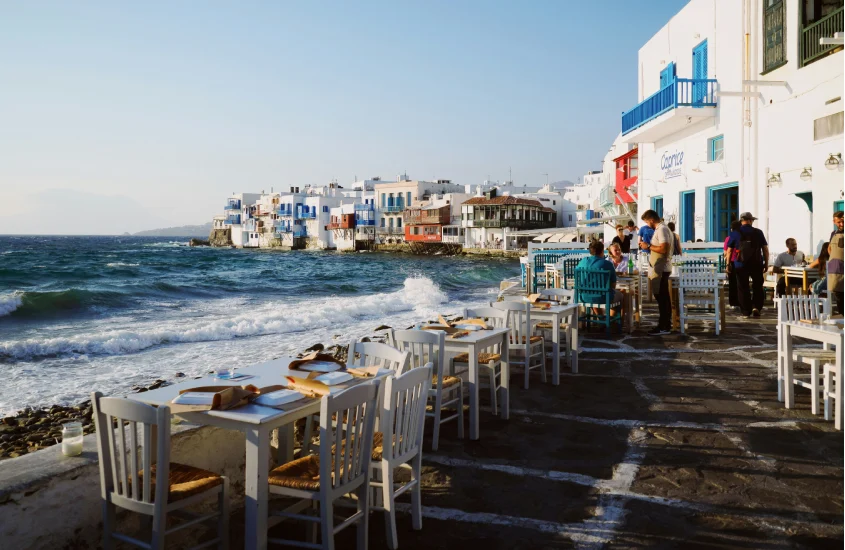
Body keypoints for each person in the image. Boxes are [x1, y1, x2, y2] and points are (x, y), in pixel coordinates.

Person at [726, 212, 769, 318]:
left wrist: (728, 264)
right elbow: (765, 249)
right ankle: (756, 307)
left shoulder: (735, 233)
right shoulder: (758, 232)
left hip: (740, 264)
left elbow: (729, 250)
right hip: (756, 263)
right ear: (750, 220)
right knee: (757, 286)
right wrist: (766, 263)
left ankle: (746, 311)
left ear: (741, 221)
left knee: (742, 287)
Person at [639, 209, 674, 335]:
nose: (647, 225)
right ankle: (664, 324)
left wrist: (647, 246)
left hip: (661, 268)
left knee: (661, 297)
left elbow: (664, 248)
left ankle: (664, 326)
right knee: (663, 297)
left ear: (651, 220)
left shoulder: (662, 230)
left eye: (647, 222)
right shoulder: (662, 229)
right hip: (661, 268)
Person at [576, 240, 622, 316]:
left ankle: (601, 319)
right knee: (620, 295)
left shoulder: (582, 262)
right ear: (602, 251)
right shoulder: (607, 264)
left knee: (594, 294)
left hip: (583, 297)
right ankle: (611, 321)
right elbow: (613, 285)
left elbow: (577, 279)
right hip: (602, 297)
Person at [828, 210, 844, 315]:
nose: (842, 224)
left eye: (843, 221)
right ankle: (843, 317)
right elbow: (829, 248)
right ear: (834, 222)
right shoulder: (833, 233)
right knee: (838, 293)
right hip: (836, 268)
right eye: (839, 222)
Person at [724, 220, 741, 310]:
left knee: (732, 283)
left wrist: (727, 264)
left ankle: (733, 302)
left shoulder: (728, 238)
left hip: (732, 262)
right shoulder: (742, 236)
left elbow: (726, 252)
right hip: (741, 262)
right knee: (741, 283)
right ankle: (741, 301)